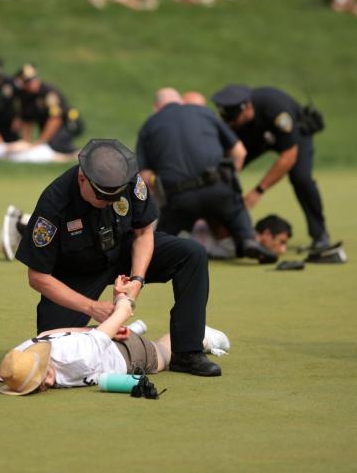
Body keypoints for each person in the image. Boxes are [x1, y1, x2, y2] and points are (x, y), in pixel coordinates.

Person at [16, 139, 222, 377]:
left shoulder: (130, 179)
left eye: (115, 196)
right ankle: (112, 334)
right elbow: (38, 277)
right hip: (77, 271)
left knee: (191, 253)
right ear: (83, 179)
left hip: (121, 251)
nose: (109, 202)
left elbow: (144, 232)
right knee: (54, 347)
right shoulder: (54, 203)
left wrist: (137, 279)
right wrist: (93, 308)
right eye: (103, 197)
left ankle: (187, 352)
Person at [0, 275, 231, 394]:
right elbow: (52, 333)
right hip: (99, 342)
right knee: (106, 335)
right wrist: (8, 373)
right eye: (36, 386)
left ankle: (204, 337)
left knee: (164, 354)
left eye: (41, 377)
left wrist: (121, 300)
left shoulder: (78, 358)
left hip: (128, 356)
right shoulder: (24, 352)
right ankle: (127, 331)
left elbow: (124, 311)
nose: (46, 383)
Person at [136, 87, 275, 264]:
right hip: (218, 189)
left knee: (163, 234)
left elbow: (146, 176)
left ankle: (156, 251)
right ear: (181, 101)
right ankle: (247, 239)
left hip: (180, 198)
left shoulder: (148, 125)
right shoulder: (204, 112)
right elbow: (239, 152)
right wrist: (229, 181)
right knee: (236, 210)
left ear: (156, 107)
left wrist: (163, 201)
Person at [211, 84, 344, 263]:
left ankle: (320, 235)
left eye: (236, 119)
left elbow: (289, 156)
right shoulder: (234, 120)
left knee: (301, 178)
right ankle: (218, 230)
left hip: (293, 136)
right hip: (256, 136)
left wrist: (258, 191)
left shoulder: (275, 110)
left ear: (248, 107)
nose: (232, 124)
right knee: (224, 171)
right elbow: (230, 155)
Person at [15, 63, 83, 155]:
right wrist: (25, 143)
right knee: (48, 144)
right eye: (28, 82)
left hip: (69, 122)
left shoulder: (47, 91)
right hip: (51, 125)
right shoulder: (25, 97)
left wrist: (41, 141)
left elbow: (55, 119)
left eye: (34, 79)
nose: (33, 83)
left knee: (54, 144)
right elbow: (27, 121)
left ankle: (78, 154)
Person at [184, 214, 293, 261]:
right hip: (178, 234)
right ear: (267, 234)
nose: (283, 250)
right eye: (281, 242)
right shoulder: (240, 237)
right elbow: (208, 210)